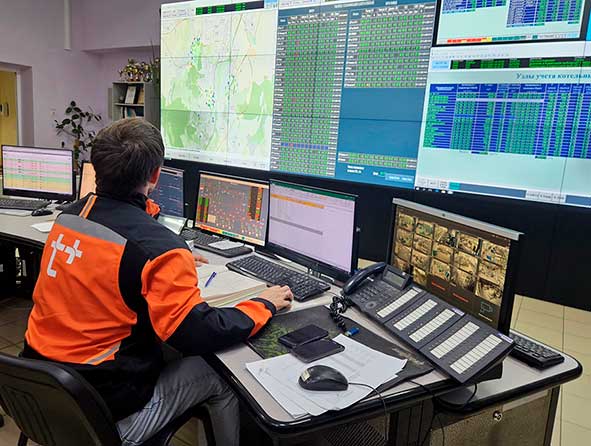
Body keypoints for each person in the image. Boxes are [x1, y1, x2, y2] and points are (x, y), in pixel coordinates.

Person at [23, 118, 294, 446]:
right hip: (102, 418)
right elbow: (198, 333)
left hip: (39, 391)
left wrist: (164, 256)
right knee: (220, 375)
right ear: (155, 175)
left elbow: (104, 264)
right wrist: (263, 304)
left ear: (97, 167)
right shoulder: (158, 249)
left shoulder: (70, 217)